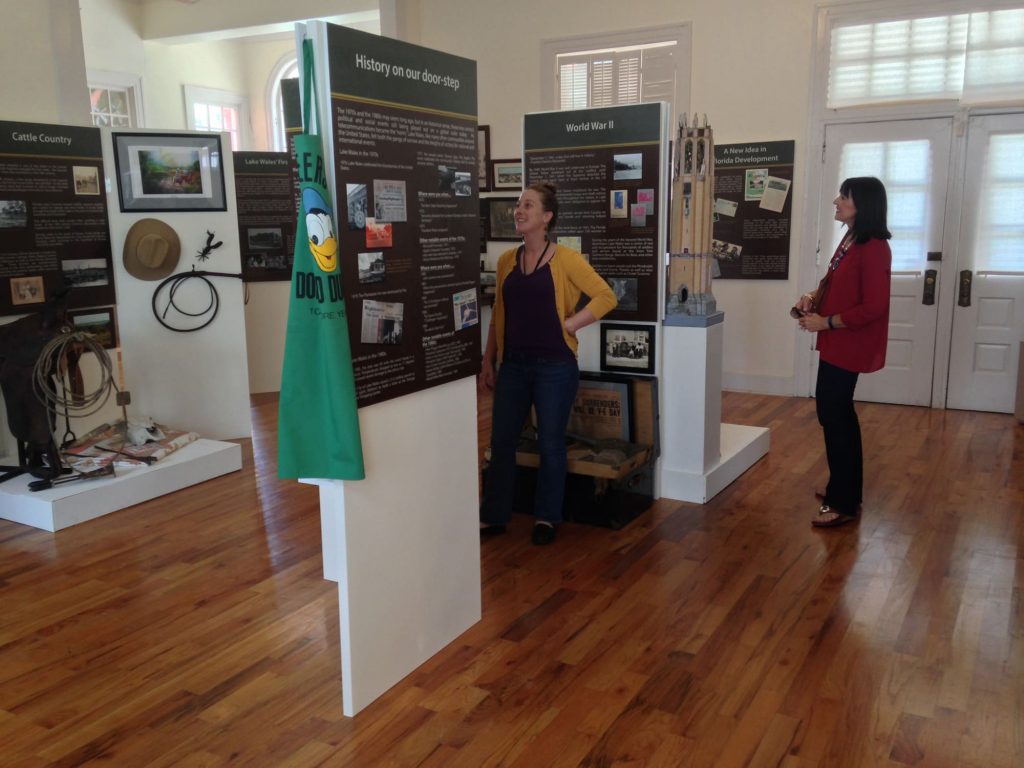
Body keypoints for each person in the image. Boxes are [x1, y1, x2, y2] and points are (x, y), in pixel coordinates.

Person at [479, 181, 617, 545]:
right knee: (502, 441)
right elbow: (499, 314)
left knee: (550, 443)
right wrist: (488, 360)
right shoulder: (507, 260)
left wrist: (572, 323)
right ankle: (493, 515)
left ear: (546, 217)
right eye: (518, 205)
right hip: (514, 366)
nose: (519, 211)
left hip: (554, 367)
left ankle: (546, 517)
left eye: (527, 205)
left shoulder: (566, 259)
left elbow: (606, 296)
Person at [793, 176, 891, 528]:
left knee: (835, 415)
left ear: (862, 204)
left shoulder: (875, 245)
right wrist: (812, 298)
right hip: (837, 340)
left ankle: (843, 501)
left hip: (848, 341)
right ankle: (845, 488)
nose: (836, 201)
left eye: (844, 197)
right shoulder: (852, 239)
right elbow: (838, 285)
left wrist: (827, 322)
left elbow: (875, 306)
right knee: (835, 414)